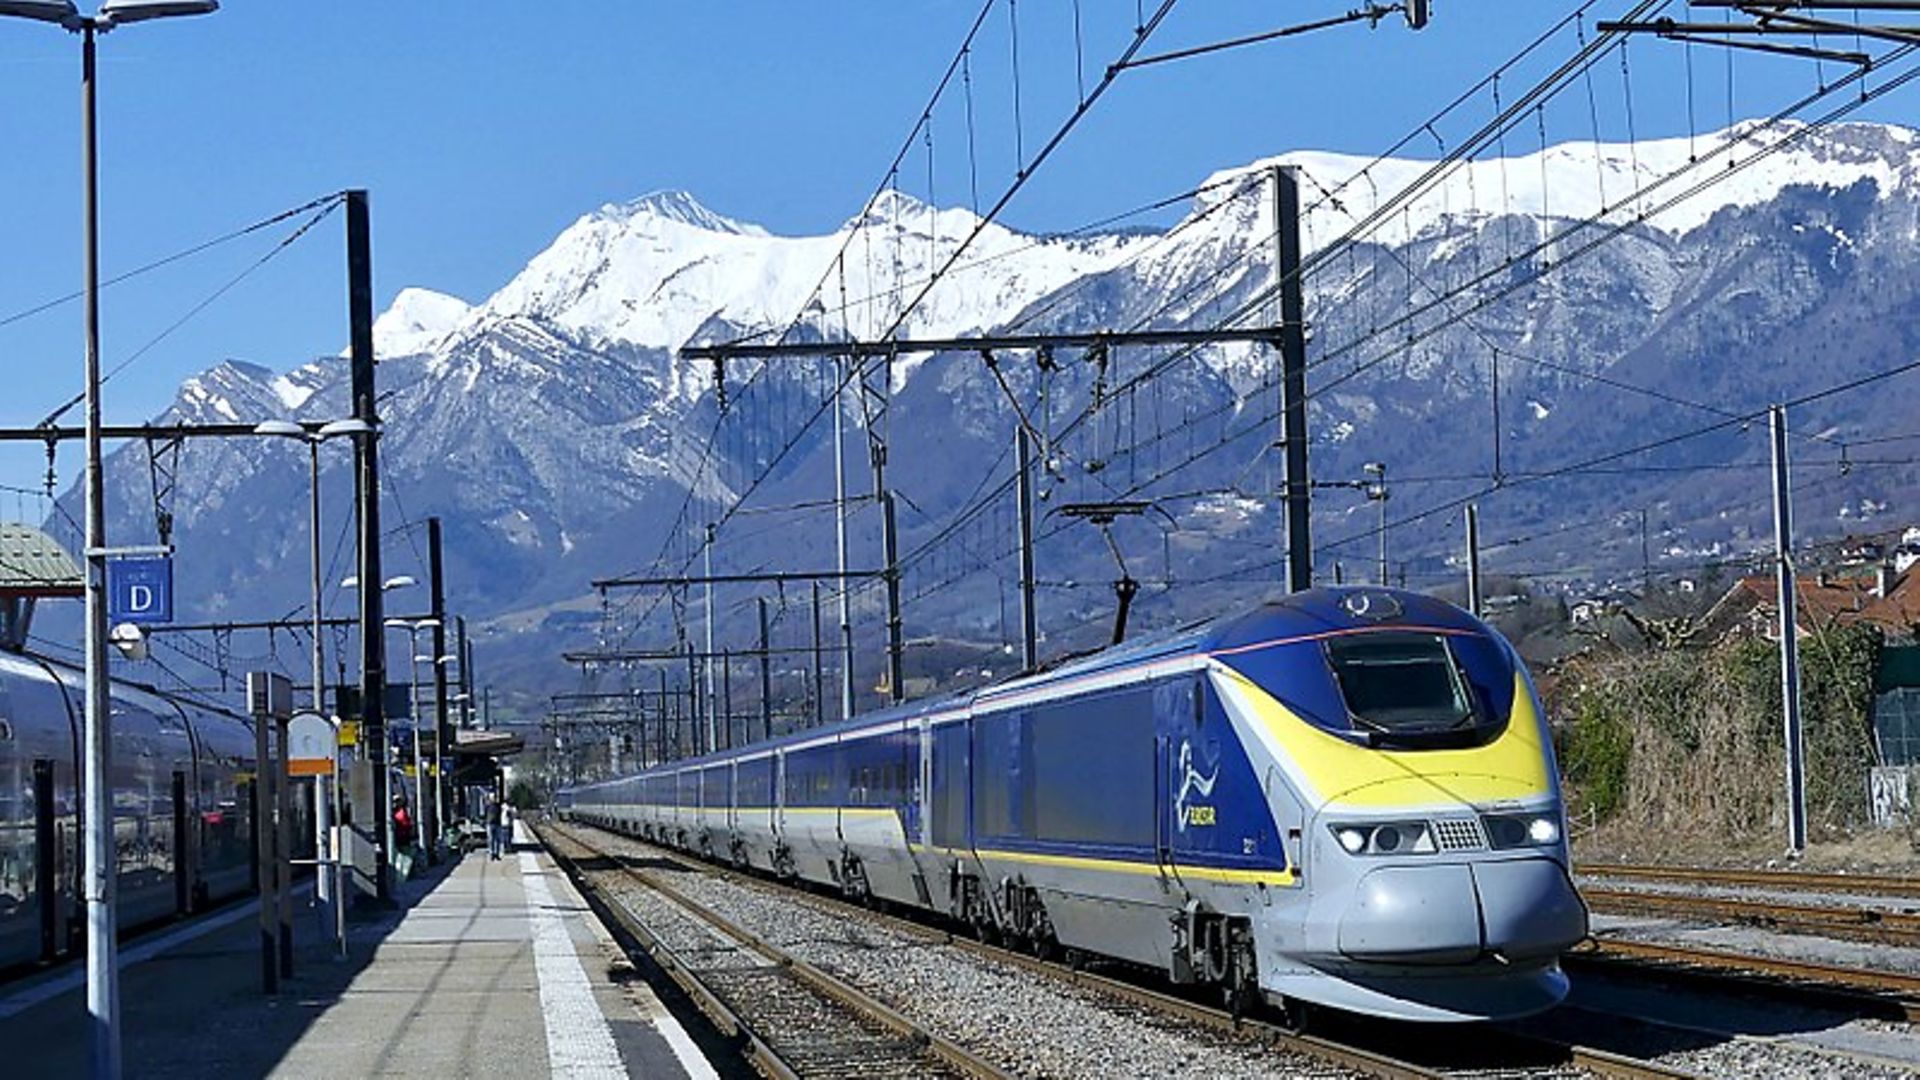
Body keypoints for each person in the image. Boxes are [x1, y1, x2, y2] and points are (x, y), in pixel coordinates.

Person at [484, 791, 505, 860]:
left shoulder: (498, 805)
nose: (494, 799)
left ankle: (497, 853)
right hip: (490, 824)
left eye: (495, 797)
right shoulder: (487, 805)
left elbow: (501, 812)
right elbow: (485, 813)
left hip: (497, 824)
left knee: (498, 840)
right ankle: (492, 853)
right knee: (491, 840)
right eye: (492, 797)